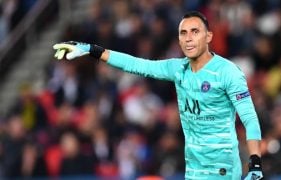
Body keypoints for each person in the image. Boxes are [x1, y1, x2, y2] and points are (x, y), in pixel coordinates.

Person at [53, 11, 263, 180]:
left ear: (208, 36)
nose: (188, 38)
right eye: (183, 33)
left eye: (195, 32)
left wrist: (255, 165)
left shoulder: (228, 72)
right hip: (193, 170)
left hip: (222, 170)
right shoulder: (177, 68)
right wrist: (92, 50)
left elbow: (249, 118)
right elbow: (136, 64)